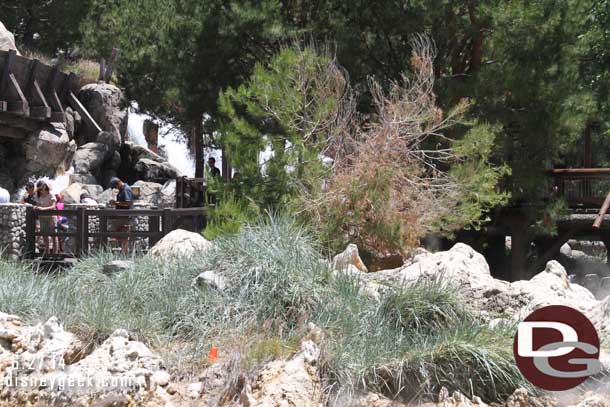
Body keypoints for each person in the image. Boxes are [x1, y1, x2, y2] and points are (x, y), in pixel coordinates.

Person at [109, 177, 133, 254]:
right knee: (118, 235)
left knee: (124, 235)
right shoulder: (122, 190)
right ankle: (119, 253)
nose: (116, 188)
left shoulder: (126, 189)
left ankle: (124, 253)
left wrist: (115, 203)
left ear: (119, 183)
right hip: (121, 216)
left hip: (125, 217)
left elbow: (128, 203)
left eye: (116, 186)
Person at [34, 181, 57, 256]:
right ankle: (47, 253)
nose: (41, 190)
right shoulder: (38, 195)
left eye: (41, 188)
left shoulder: (51, 194)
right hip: (42, 217)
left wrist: (43, 209)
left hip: (51, 217)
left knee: (53, 235)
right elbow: (38, 205)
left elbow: (53, 206)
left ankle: (55, 253)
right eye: (39, 189)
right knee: (44, 235)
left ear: (45, 186)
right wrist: (36, 207)